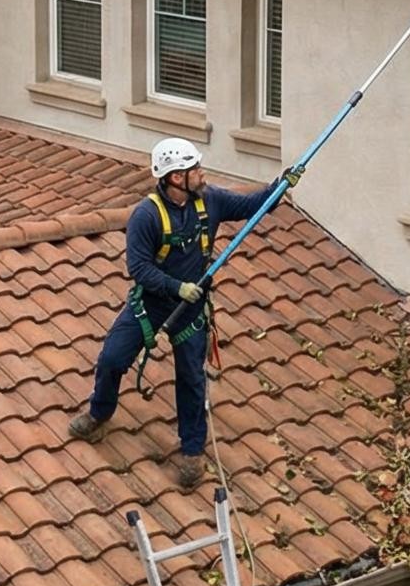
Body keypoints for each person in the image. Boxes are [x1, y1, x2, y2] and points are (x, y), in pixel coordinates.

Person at [72, 138, 296, 488]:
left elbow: (256, 205)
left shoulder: (211, 200)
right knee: (113, 359)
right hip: (152, 303)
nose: (201, 172)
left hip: (191, 309)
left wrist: (280, 185)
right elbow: (139, 268)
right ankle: (100, 412)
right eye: (194, 169)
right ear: (176, 178)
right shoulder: (146, 216)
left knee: (192, 377)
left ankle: (192, 450)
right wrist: (176, 287)